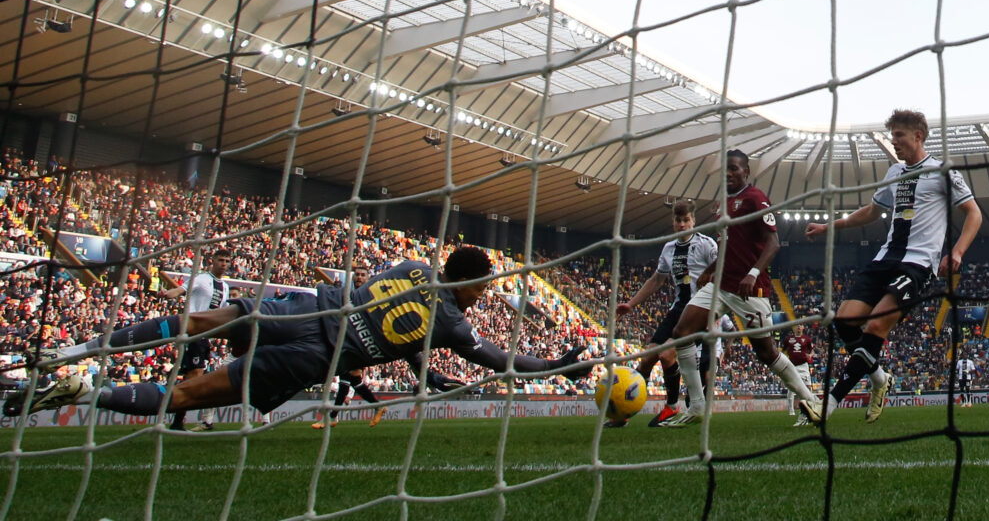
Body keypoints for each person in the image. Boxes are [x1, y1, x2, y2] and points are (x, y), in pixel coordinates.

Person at [5, 247, 590, 420]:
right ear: (470, 285)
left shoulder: (411, 269)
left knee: (199, 320)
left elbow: (392, 323)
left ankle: (77, 350)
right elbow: (502, 362)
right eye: (482, 289)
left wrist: (425, 369)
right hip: (317, 352)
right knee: (188, 394)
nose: (480, 298)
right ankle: (87, 392)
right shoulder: (456, 321)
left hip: (303, 310)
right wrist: (560, 366)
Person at [801, 109, 982, 425]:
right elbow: (871, 212)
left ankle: (827, 404)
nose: (894, 142)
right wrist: (831, 226)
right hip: (885, 259)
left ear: (918, 136)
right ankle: (879, 378)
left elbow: (974, 213)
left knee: (875, 327)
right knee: (845, 322)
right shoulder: (894, 172)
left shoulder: (943, 172)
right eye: (892, 135)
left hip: (917, 265)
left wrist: (957, 252)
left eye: (899, 135)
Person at [667, 149, 817, 426]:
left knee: (767, 352)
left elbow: (773, 243)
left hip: (750, 289)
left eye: (735, 169)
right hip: (721, 285)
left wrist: (752, 272)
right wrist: (711, 271)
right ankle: (697, 406)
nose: (729, 173)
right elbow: (728, 246)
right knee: (681, 333)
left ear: (746, 171)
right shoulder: (722, 203)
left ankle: (811, 400)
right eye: (726, 169)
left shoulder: (756, 198)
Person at [613, 199, 717, 428]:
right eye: (678, 220)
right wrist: (631, 304)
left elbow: (721, 275)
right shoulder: (669, 248)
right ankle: (625, 411)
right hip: (678, 308)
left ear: (694, 221)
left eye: (686, 220)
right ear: (673, 222)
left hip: (700, 309)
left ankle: (671, 407)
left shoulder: (707, 245)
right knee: (648, 356)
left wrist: (715, 316)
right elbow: (657, 280)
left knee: (667, 354)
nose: (682, 224)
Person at [157, 248, 232, 431]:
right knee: (195, 376)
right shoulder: (201, 279)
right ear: (212, 261)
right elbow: (181, 290)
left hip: (205, 336)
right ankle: (176, 418)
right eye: (220, 260)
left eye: (226, 261)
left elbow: (220, 313)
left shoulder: (225, 287)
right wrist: (167, 294)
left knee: (192, 376)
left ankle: (176, 418)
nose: (223, 264)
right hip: (192, 332)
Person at [312, 264, 387, 429]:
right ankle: (336, 416)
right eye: (357, 274)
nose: (359, 277)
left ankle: (333, 416)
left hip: (362, 341)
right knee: (350, 380)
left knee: (349, 378)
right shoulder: (352, 294)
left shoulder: (370, 294)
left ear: (368, 278)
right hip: (350, 340)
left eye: (362, 275)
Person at [781, 324, 814, 426]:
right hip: (793, 366)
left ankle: (809, 409)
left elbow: (812, 351)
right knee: (791, 388)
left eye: (801, 326)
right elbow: (783, 351)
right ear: (794, 328)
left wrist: (810, 355)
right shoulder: (789, 339)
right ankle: (791, 411)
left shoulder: (807, 339)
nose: (799, 327)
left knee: (808, 388)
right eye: (797, 326)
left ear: (803, 328)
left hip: (803, 366)